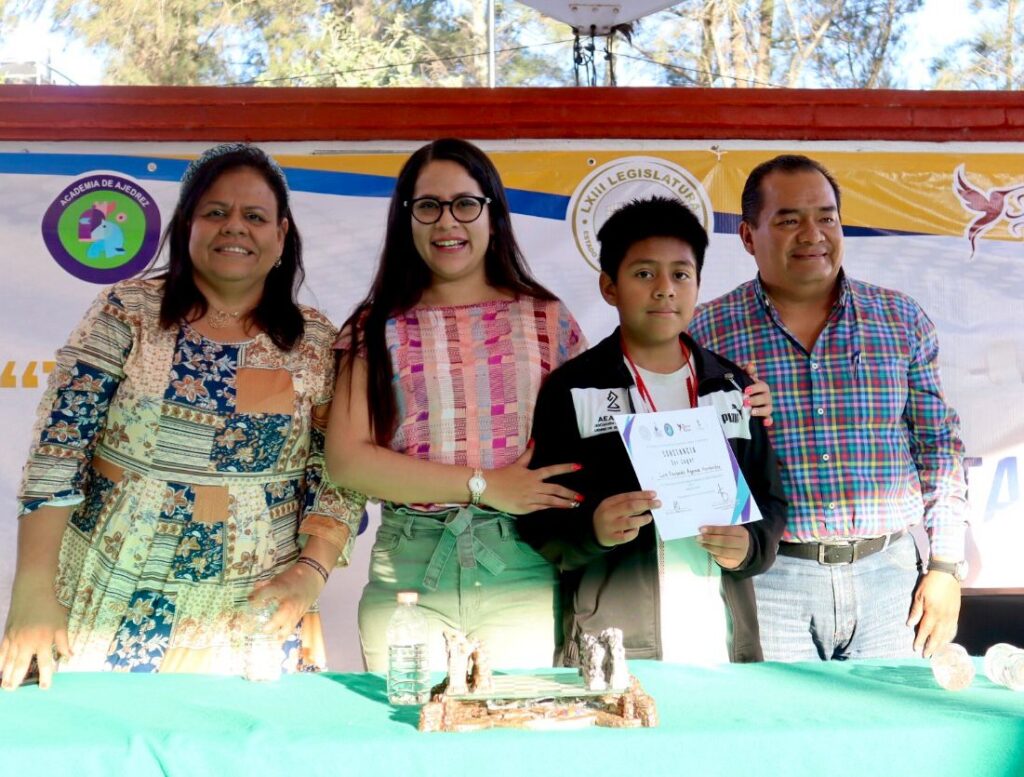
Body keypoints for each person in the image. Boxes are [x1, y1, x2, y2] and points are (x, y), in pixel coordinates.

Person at [0, 144, 364, 690]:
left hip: (257, 613)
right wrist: (32, 592)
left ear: (281, 235)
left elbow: (339, 475)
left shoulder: (313, 341)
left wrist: (309, 575)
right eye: (215, 212)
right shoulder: (128, 311)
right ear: (187, 225)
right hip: (104, 598)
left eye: (255, 216)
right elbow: (59, 451)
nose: (234, 227)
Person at [689, 154, 968, 661]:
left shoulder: (898, 318)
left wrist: (946, 567)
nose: (812, 234)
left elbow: (938, 447)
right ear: (748, 236)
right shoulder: (706, 332)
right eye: (788, 220)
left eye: (826, 217)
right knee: (785, 715)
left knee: (893, 712)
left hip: (893, 584)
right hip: (769, 582)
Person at [325, 138, 586, 672]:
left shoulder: (546, 319)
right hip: (409, 572)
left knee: (518, 721)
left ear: (493, 213)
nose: (447, 222)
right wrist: (485, 485)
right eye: (428, 206)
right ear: (407, 218)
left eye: (465, 204)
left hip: (525, 567)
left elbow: (598, 429)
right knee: (408, 721)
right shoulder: (375, 326)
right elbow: (347, 461)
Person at [517, 196, 786, 666]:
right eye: (644, 274)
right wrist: (592, 530)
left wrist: (752, 546)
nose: (664, 290)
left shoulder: (732, 389)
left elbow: (770, 499)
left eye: (680, 274)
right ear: (609, 287)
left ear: (697, 285)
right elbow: (539, 516)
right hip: (614, 646)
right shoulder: (572, 389)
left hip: (721, 642)